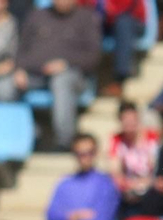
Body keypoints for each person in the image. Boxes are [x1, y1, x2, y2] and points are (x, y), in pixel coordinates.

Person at [20, 135, 118, 220]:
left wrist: (70, 217)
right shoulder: (65, 183)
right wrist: (82, 215)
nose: (84, 157)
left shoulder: (105, 184)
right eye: (80, 154)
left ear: (95, 153)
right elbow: (50, 216)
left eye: (89, 153)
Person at [11, 0, 100, 150]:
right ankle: (26, 135)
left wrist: (65, 63)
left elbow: (93, 57)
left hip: (73, 75)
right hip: (35, 75)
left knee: (61, 81)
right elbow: (20, 49)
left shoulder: (86, 17)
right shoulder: (36, 16)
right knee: (5, 86)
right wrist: (19, 69)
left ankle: (64, 142)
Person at [109, 102, 159, 214]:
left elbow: (156, 167)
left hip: (150, 188)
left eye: (132, 119)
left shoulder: (152, 138)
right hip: (129, 189)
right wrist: (129, 184)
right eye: (126, 120)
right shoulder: (117, 140)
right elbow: (115, 172)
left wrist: (146, 183)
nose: (130, 124)